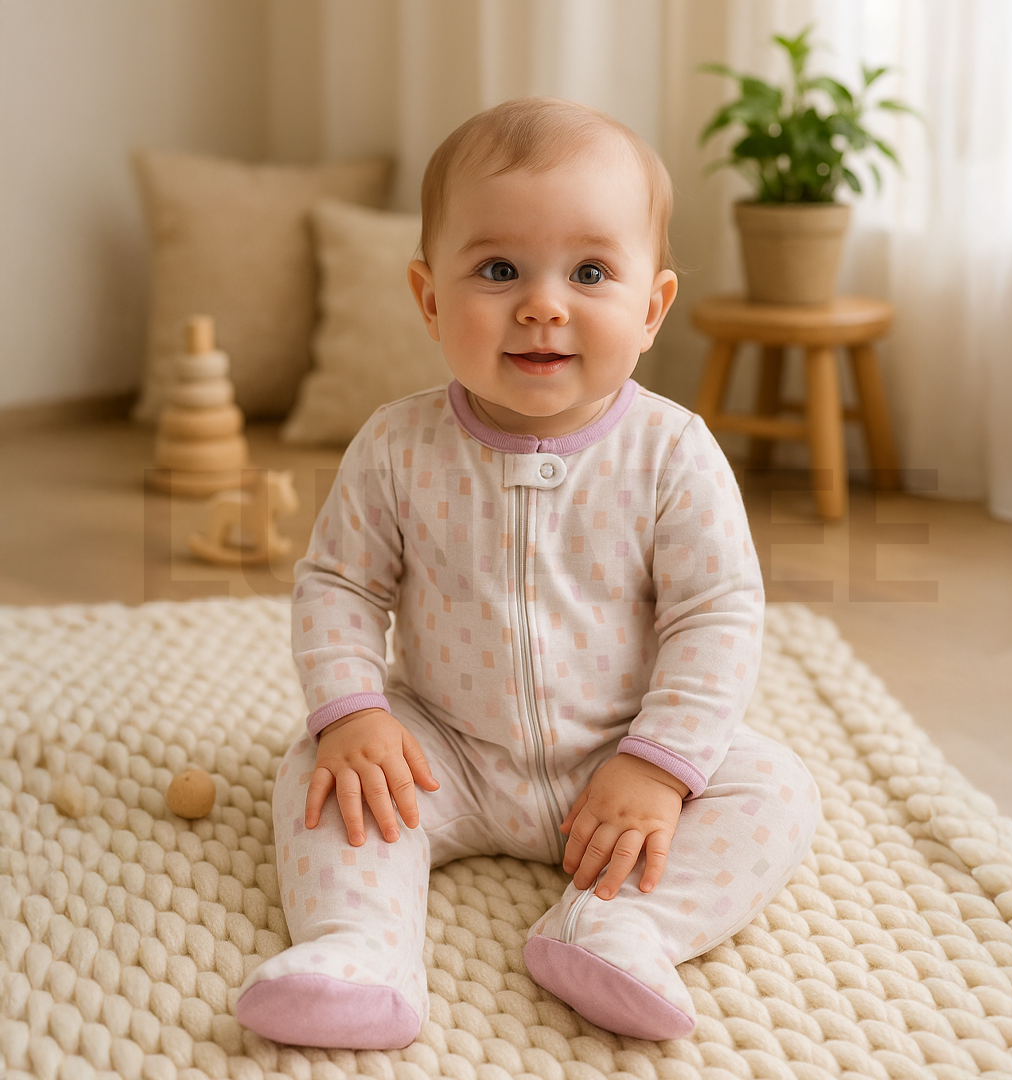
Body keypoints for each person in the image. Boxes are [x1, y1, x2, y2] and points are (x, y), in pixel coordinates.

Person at [236, 97, 819, 1049]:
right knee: (319, 770)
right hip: (449, 753)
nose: (543, 304)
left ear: (651, 307)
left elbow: (716, 614)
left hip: (617, 758)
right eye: (498, 269)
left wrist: (658, 763)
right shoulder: (395, 445)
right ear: (430, 299)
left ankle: (620, 928)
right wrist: (355, 711)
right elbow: (339, 585)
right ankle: (361, 948)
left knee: (779, 789)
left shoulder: (672, 452)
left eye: (590, 271)